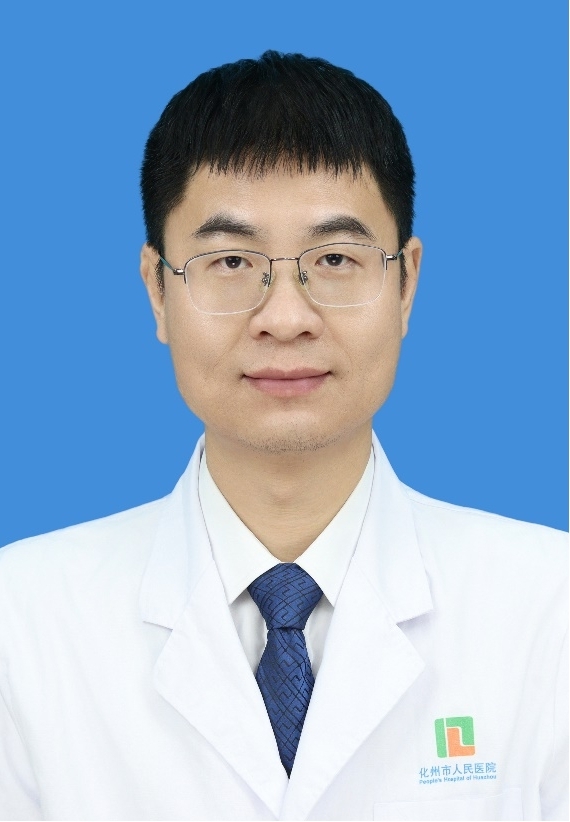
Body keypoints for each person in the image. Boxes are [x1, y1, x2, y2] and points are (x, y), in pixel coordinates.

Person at [0, 51, 566, 822]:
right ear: (158, 290)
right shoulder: (22, 621)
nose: (287, 317)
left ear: (406, 284)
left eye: (334, 258)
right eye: (232, 260)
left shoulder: (548, 610)